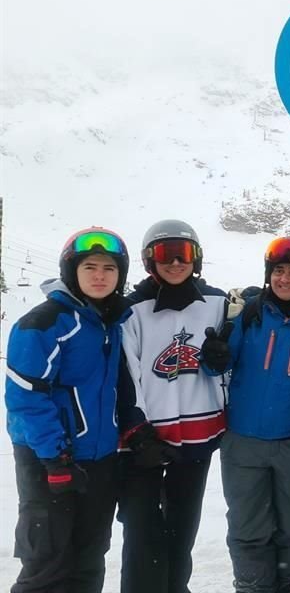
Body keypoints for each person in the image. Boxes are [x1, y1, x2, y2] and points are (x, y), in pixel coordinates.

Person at [200, 236, 290, 593]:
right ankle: (253, 585)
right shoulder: (250, 313)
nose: (285, 279)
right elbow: (217, 368)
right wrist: (214, 356)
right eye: (278, 271)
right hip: (243, 441)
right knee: (247, 527)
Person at [5, 227, 131, 593]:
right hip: (50, 460)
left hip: (100, 458)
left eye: (109, 268)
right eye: (90, 266)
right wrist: (55, 458)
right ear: (71, 271)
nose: (99, 275)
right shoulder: (43, 323)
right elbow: (26, 398)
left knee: (89, 559)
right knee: (47, 564)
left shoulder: (110, 323)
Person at [116, 219, 229, 593]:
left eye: (184, 254)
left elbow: (228, 365)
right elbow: (126, 373)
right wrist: (137, 431)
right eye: (166, 254)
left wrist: (220, 358)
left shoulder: (216, 303)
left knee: (182, 532)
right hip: (144, 442)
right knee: (142, 534)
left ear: (196, 258)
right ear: (150, 260)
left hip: (197, 437)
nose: (176, 263)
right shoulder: (131, 310)